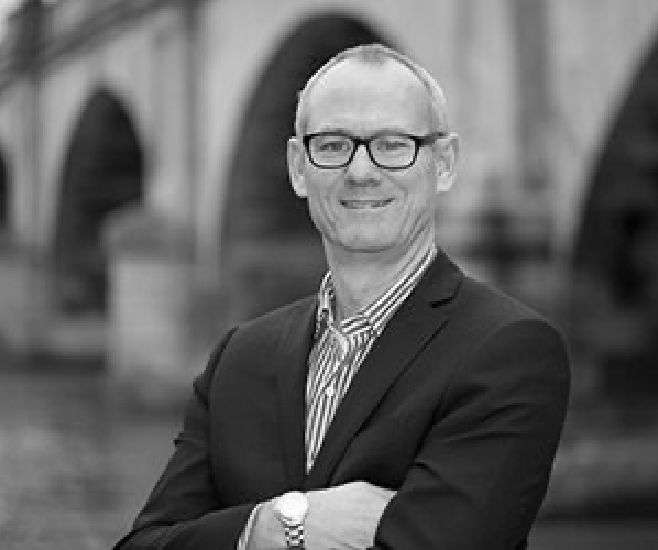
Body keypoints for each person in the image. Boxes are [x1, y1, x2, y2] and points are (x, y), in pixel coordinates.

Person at [114, 43, 570, 550]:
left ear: (443, 163)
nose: (361, 172)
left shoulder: (509, 350)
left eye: (393, 144)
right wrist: (277, 525)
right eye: (332, 145)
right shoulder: (238, 358)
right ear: (297, 167)